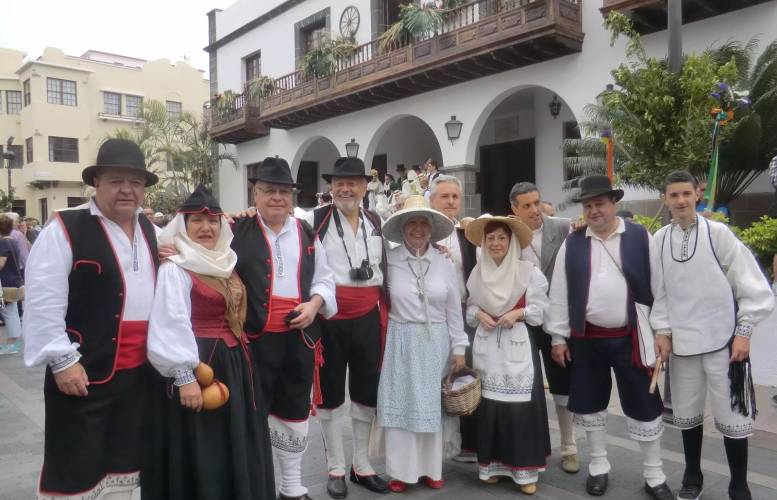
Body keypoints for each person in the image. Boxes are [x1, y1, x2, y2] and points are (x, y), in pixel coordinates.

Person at [22, 138, 160, 499]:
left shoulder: (152, 231)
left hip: (138, 376)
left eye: (135, 182)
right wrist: (62, 361)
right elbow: (42, 301)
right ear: (96, 183)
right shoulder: (65, 228)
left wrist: (240, 220)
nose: (127, 190)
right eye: (116, 181)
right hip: (83, 372)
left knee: (126, 462)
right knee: (77, 466)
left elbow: (206, 243)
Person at [143, 185, 275, 500]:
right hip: (199, 365)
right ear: (183, 226)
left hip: (236, 364)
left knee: (233, 441)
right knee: (204, 444)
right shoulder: (175, 267)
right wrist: (185, 376)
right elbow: (169, 321)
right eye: (197, 221)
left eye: (213, 221)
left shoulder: (227, 261)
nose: (206, 228)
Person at [545, 175, 672, 500]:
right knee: (590, 405)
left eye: (599, 204)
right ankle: (598, 467)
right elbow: (558, 292)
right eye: (587, 205)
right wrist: (558, 337)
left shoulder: (640, 237)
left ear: (614, 203)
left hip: (633, 337)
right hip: (586, 339)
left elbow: (659, 288)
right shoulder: (573, 243)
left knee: (645, 403)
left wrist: (662, 331)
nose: (593, 211)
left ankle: (654, 474)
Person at [650, 171, 775, 500]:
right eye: (674, 195)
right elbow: (658, 292)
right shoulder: (659, 239)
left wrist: (744, 332)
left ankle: (739, 484)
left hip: (724, 341)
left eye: (686, 194)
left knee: (734, 415)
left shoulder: (717, 233)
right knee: (687, 414)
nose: (681, 200)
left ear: (697, 195)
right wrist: (662, 331)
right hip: (682, 344)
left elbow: (751, 283)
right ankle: (692, 476)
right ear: (665, 199)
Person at [231, 157, 337, 500]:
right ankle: (254, 488)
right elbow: (188, 238)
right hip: (252, 339)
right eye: (268, 190)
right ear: (255, 194)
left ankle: (291, 487)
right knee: (252, 413)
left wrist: (314, 305)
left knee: (293, 410)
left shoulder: (306, 231)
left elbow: (325, 279)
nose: (276, 197)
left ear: (291, 196)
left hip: (298, 338)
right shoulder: (234, 229)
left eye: (283, 191)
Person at [307, 157, 389, 499]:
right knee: (329, 395)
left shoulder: (376, 221)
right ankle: (336, 467)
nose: (345, 189)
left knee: (366, 392)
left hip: (368, 316)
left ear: (365, 187)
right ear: (330, 187)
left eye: (353, 183)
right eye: (339, 183)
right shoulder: (314, 220)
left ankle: (362, 464)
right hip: (329, 318)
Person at [376, 195, 469, 492]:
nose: (418, 228)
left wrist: (459, 348)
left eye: (423, 223)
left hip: (436, 341)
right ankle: (401, 472)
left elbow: (454, 308)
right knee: (402, 406)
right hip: (400, 340)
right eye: (411, 222)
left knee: (431, 405)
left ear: (431, 229)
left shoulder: (444, 261)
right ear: (402, 228)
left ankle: (431, 468)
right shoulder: (389, 260)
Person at [464, 216, 551, 495]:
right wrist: (479, 314)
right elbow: (470, 307)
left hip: (516, 345)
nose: (496, 243)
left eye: (502, 237)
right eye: (490, 238)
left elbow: (540, 310)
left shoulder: (528, 272)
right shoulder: (477, 273)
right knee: (490, 406)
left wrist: (518, 313)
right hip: (487, 347)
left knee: (519, 407)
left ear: (511, 242)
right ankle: (492, 466)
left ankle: (524, 471)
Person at [508, 181, 580, 473]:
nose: (534, 210)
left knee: (562, 383)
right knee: (525, 384)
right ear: (514, 209)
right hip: (524, 321)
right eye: (526, 205)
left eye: (537, 202)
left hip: (557, 319)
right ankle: (528, 446)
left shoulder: (562, 228)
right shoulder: (510, 233)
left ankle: (570, 446)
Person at [428, 175, 478, 461]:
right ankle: (434, 444)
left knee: (460, 375)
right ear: (432, 199)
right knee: (436, 377)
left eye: (455, 197)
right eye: (444, 196)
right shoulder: (423, 231)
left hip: (463, 313)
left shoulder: (466, 233)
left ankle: (462, 443)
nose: (450, 202)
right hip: (431, 316)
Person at [0, 214, 24, 355]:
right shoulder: (12, 241)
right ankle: (13, 343)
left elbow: (1, 263)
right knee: (11, 312)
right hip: (13, 281)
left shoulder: (3, 243)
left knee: (8, 312)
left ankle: (13, 344)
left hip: (5, 283)